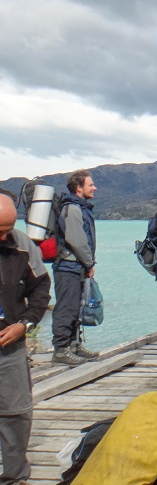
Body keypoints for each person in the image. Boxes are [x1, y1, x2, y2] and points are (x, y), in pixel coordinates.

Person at [0, 194, 50, 484]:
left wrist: (25, 323)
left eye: (8, 228)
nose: (5, 236)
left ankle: (14, 477)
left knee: (16, 414)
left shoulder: (21, 244)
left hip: (10, 344)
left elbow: (41, 286)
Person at [51, 170, 99, 366]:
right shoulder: (72, 209)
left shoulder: (79, 208)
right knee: (66, 307)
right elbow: (76, 240)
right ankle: (61, 350)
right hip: (67, 266)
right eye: (90, 185)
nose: (94, 188)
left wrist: (86, 263)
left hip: (75, 266)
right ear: (78, 188)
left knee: (75, 307)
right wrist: (89, 263)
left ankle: (74, 345)